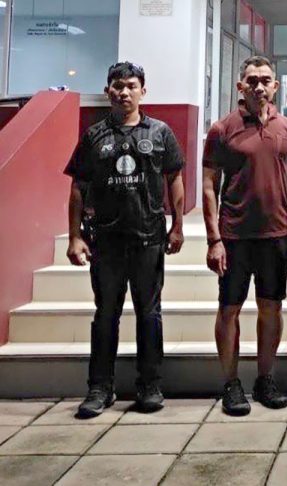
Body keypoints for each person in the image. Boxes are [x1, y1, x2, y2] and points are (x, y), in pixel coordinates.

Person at [65, 61, 185, 418]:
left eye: (131, 86)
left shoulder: (160, 132)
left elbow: (174, 179)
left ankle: (150, 385)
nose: (124, 92)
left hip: (149, 238)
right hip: (106, 241)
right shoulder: (93, 136)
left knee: (149, 314)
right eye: (117, 86)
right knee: (106, 315)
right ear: (108, 91)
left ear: (143, 91)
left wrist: (177, 226)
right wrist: (74, 236)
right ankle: (100, 388)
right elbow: (78, 187)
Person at [202, 55, 287, 416]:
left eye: (265, 80)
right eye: (252, 80)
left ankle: (265, 379)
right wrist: (214, 239)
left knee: (271, 307)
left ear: (275, 86)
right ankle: (231, 383)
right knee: (229, 308)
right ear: (240, 86)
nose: (259, 86)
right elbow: (208, 185)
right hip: (234, 235)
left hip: (277, 234)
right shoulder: (222, 129)